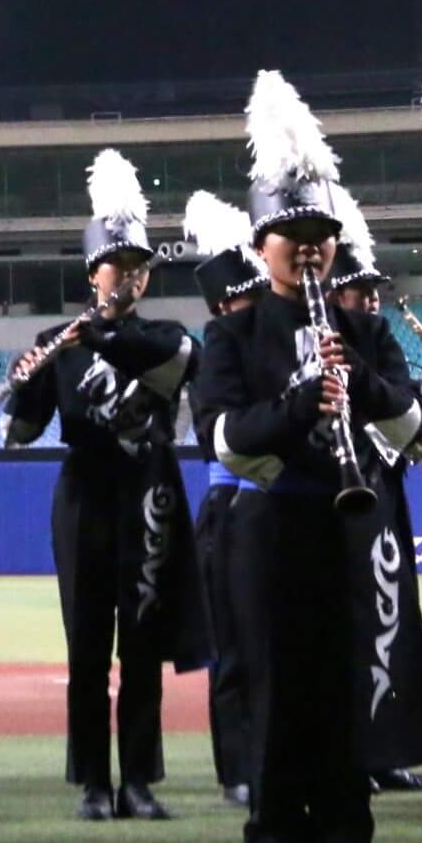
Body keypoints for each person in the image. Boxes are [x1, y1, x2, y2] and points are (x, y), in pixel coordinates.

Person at [199, 72, 422, 843]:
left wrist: (353, 378)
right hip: (266, 528)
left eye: (320, 231)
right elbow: (227, 438)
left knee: (340, 698)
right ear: (263, 243)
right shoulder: (231, 333)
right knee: (273, 698)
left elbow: (408, 431)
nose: (308, 244)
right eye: (291, 232)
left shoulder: (365, 329)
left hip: (345, 530)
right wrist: (302, 403)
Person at [5, 149, 204, 823]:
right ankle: (93, 780)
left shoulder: (164, 336)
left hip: (147, 496)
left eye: (140, 269)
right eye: (120, 267)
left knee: (142, 644)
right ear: (94, 272)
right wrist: (27, 382)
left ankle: (140, 781)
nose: (131, 278)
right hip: (84, 495)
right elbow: (23, 432)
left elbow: (173, 370)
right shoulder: (54, 341)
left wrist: (97, 333)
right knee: (87, 645)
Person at [324, 186, 422, 800]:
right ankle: (351, 753)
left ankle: (390, 749)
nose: (370, 299)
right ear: (334, 294)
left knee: (394, 619)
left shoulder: (375, 342)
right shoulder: (324, 336)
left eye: (373, 290)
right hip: (340, 498)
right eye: (358, 291)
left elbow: (401, 403)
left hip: (384, 492)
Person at [182, 191, 266, 808]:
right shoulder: (218, 347)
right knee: (232, 649)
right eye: (244, 297)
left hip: (275, 506)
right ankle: (235, 766)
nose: (253, 307)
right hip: (231, 510)